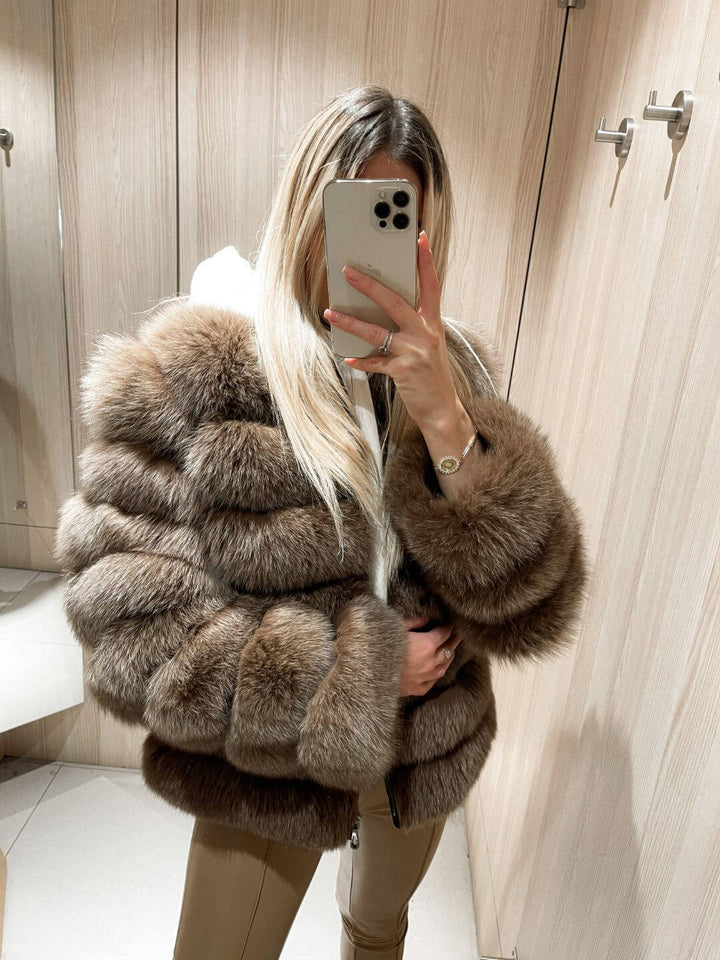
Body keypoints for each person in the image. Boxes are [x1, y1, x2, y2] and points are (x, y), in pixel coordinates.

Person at [54, 83, 589, 959]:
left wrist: (444, 416)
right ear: (306, 208)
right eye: (352, 212)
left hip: (420, 752)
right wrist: (362, 674)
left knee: (378, 931)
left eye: (397, 219)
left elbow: (539, 599)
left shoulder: (451, 372)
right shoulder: (198, 375)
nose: (366, 250)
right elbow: (131, 631)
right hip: (273, 771)